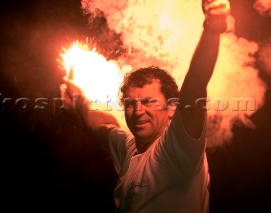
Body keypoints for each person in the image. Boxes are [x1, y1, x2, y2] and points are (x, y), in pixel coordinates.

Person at [60, 0, 230, 212]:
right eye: (131, 104)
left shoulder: (176, 147)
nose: (138, 111)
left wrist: (212, 29)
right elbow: (101, 124)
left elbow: (196, 83)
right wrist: (77, 101)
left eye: (149, 102)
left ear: (171, 108)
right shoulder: (129, 149)